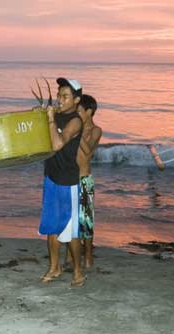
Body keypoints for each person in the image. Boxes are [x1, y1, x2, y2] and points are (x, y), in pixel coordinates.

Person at [38, 77, 85, 287]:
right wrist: (40, 113)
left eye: (65, 96)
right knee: (51, 228)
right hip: (51, 177)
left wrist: (49, 119)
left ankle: (77, 272)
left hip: (68, 181)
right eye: (59, 95)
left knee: (72, 232)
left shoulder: (75, 121)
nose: (60, 100)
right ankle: (54, 267)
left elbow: (57, 144)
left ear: (76, 100)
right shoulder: (56, 114)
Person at [75, 94, 102, 268]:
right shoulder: (74, 127)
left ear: (89, 111)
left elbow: (88, 153)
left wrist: (76, 134)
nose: (76, 113)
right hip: (69, 178)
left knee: (86, 220)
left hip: (84, 179)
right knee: (72, 220)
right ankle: (73, 255)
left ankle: (89, 255)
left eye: (79, 110)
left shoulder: (96, 130)